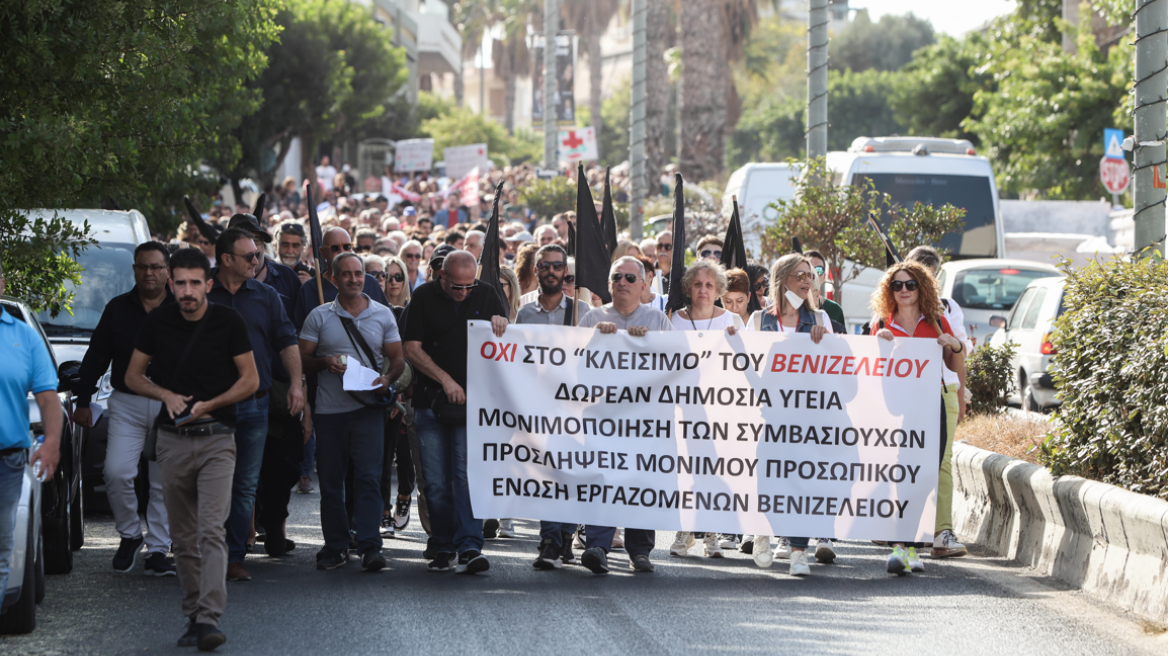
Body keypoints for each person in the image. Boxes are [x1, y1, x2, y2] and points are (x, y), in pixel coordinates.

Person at [125, 247, 259, 651]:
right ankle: (193, 614)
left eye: (194, 283)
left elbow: (250, 380)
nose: (186, 291)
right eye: (179, 283)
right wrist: (164, 394)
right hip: (171, 442)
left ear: (209, 285)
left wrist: (210, 404)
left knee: (210, 531)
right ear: (170, 283)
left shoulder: (228, 321)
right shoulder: (158, 322)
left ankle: (209, 617)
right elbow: (132, 375)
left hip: (218, 437)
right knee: (182, 538)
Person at [73, 242, 176, 576]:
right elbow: (97, 356)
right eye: (143, 267)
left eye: (156, 267)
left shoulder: (183, 309)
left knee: (164, 483)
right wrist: (84, 399)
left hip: (169, 404)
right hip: (127, 403)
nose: (149, 273)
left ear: (167, 271)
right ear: (134, 270)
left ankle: (159, 549)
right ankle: (130, 534)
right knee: (116, 472)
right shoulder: (118, 308)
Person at [402, 251, 509, 574]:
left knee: (465, 477)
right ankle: (443, 543)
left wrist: (502, 324)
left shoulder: (487, 293)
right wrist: (445, 380)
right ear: (442, 277)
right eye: (457, 287)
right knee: (434, 481)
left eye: (469, 286)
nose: (464, 292)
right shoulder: (422, 297)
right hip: (430, 401)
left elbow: (506, 341)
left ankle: (469, 545)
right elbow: (411, 348)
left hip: (473, 405)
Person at [299, 252, 404, 572]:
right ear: (334, 279)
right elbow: (301, 359)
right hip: (330, 413)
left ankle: (371, 546)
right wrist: (324, 363)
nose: (354, 279)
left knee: (370, 480)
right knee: (331, 482)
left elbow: (397, 359)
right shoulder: (318, 316)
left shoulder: (383, 314)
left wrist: (386, 379)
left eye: (359, 274)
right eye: (346, 274)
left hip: (368, 412)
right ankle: (335, 546)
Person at [208, 228, 302, 580]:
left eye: (258, 254)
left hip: (255, 405)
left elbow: (287, 340)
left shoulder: (267, 296)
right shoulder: (202, 294)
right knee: (211, 482)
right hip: (212, 407)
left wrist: (296, 384)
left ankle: (234, 557)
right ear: (226, 259)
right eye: (248, 256)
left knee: (245, 484)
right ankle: (206, 551)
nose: (256, 261)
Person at [577, 256, 673, 575]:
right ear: (608, 284)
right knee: (601, 479)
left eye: (631, 278)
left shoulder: (658, 321)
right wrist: (595, 341)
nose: (623, 282)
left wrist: (650, 344)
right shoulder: (592, 318)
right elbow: (572, 368)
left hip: (645, 422)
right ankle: (598, 545)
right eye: (617, 277)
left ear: (645, 286)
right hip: (601, 417)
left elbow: (679, 367)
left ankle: (640, 551)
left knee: (642, 480)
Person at [871, 260, 966, 575]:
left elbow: (954, 362)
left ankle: (910, 547)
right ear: (890, 290)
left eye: (910, 284)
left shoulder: (935, 320)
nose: (903, 290)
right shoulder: (884, 323)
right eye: (896, 285)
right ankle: (900, 547)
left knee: (926, 476)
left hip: (931, 404)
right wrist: (881, 347)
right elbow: (874, 368)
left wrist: (954, 344)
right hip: (898, 407)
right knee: (904, 475)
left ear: (921, 288)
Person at [499, 245, 591, 569]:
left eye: (558, 266)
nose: (552, 271)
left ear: (565, 272)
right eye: (545, 266)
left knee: (568, 473)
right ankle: (549, 540)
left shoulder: (582, 311)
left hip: (574, 408)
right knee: (546, 473)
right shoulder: (525, 314)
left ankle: (565, 535)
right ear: (536, 270)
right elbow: (519, 360)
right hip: (540, 407)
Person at [746, 253, 836, 577]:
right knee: (768, 482)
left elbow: (834, 371)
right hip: (770, 418)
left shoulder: (820, 321)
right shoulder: (759, 321)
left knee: (804, 482)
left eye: (810, 275)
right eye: (800, 275)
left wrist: (825, 346)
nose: (806, 280)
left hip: (808, 419)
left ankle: (799, 550)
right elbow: (746, 368)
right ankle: (762, 531)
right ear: (782, 278)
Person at [666, 260, 739, 560]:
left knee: (713, 470)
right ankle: (685, 530)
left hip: (720, 409)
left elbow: (745, 364)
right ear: (688, 287)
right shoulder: (675, 320)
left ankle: (711, 534)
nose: (704, 290)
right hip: (684, 408)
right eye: (698, 284)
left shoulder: (731, 321)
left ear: (719, 288)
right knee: (685, 470)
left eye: (710, 284)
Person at [0, 263, 63, 606]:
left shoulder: (23, 335)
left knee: (1, 549)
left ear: (2, 282)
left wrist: (51, 441)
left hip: (7, 461)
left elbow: (47, 396)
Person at [905, 246, 970, 559]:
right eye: (905, 281)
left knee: (941, 462)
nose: (912, 286)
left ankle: (941, 531)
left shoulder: (945, 310)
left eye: (927, 276)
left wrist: (960, 393)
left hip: (942, 392)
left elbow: (957, 357)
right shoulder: (887, 316)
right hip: (904, 398)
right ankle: (901, 532)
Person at [292, 227, 389, 329]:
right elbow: (300, 333)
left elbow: (388, 325)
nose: (342, 252)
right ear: (323, 252)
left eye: (347, 246)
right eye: (335, 248)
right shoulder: (309, 289)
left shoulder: (370, 283)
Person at [805, 250, 845, 328]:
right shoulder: (792, 309)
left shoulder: (836, 310)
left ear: (824, 277)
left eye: (819, 270)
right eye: (809, 269)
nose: (814, 275)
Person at [655, 231, 674, 295]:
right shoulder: (647, 272)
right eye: (659, 246)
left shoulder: (685, 275)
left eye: (668, 246)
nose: (663, 249)